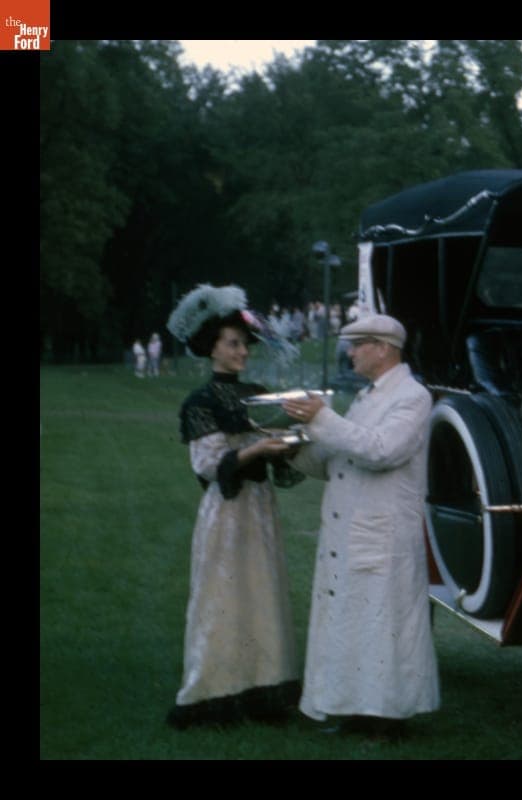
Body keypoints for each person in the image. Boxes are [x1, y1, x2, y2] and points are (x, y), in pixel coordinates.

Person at [282, 314, 439, 737]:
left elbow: (381, 450)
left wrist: (323, 420)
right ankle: (355, 710)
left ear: (383, 348)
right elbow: (339, 456)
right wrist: (291, 443)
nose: (350, 352)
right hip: (352, 527)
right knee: (353, 622)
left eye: (357, 345)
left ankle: (388, 719)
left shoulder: (412, 396)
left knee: (382, 625)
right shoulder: (367, 398)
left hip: (383, 532)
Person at [164, 284, 305, 729]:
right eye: (233, 344)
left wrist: (286, 444)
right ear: (213, 350)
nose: (243, 351)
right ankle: (214, 692)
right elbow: (208, 465)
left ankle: (263, 688)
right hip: (227, 510)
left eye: (245, 343)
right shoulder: (201, 403)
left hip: (260, 509)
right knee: (223, 594)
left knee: (262, 592)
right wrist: (258, 450)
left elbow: (279, 455)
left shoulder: (259, 394)